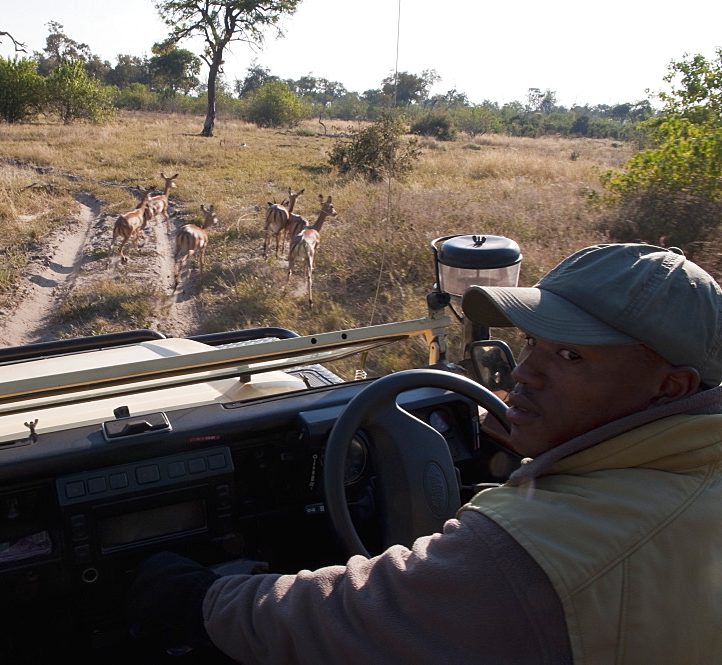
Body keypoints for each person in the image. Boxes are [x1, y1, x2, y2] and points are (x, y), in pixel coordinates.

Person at [129, 243, 722, 665]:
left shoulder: (538, 549)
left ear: (670, 388)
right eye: (535, 344)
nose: (524, 374)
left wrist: (198, 595)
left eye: (572, 358)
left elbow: (339, 621)